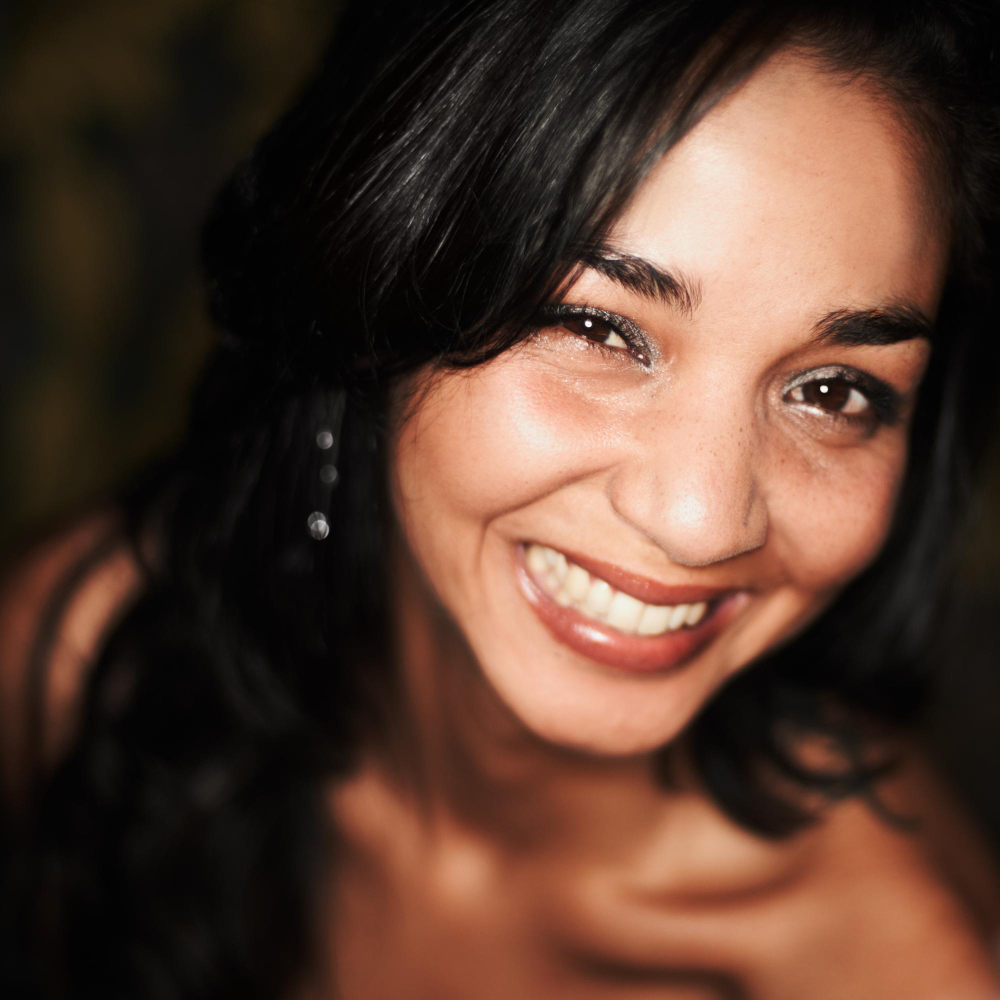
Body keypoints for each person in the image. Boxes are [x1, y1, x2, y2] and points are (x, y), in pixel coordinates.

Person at [3, 0, 1000, 996]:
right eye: (598, 328)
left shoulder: (900, 965)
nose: (700, 519)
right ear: (378, 276)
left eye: (830, 392)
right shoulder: (107, 652)